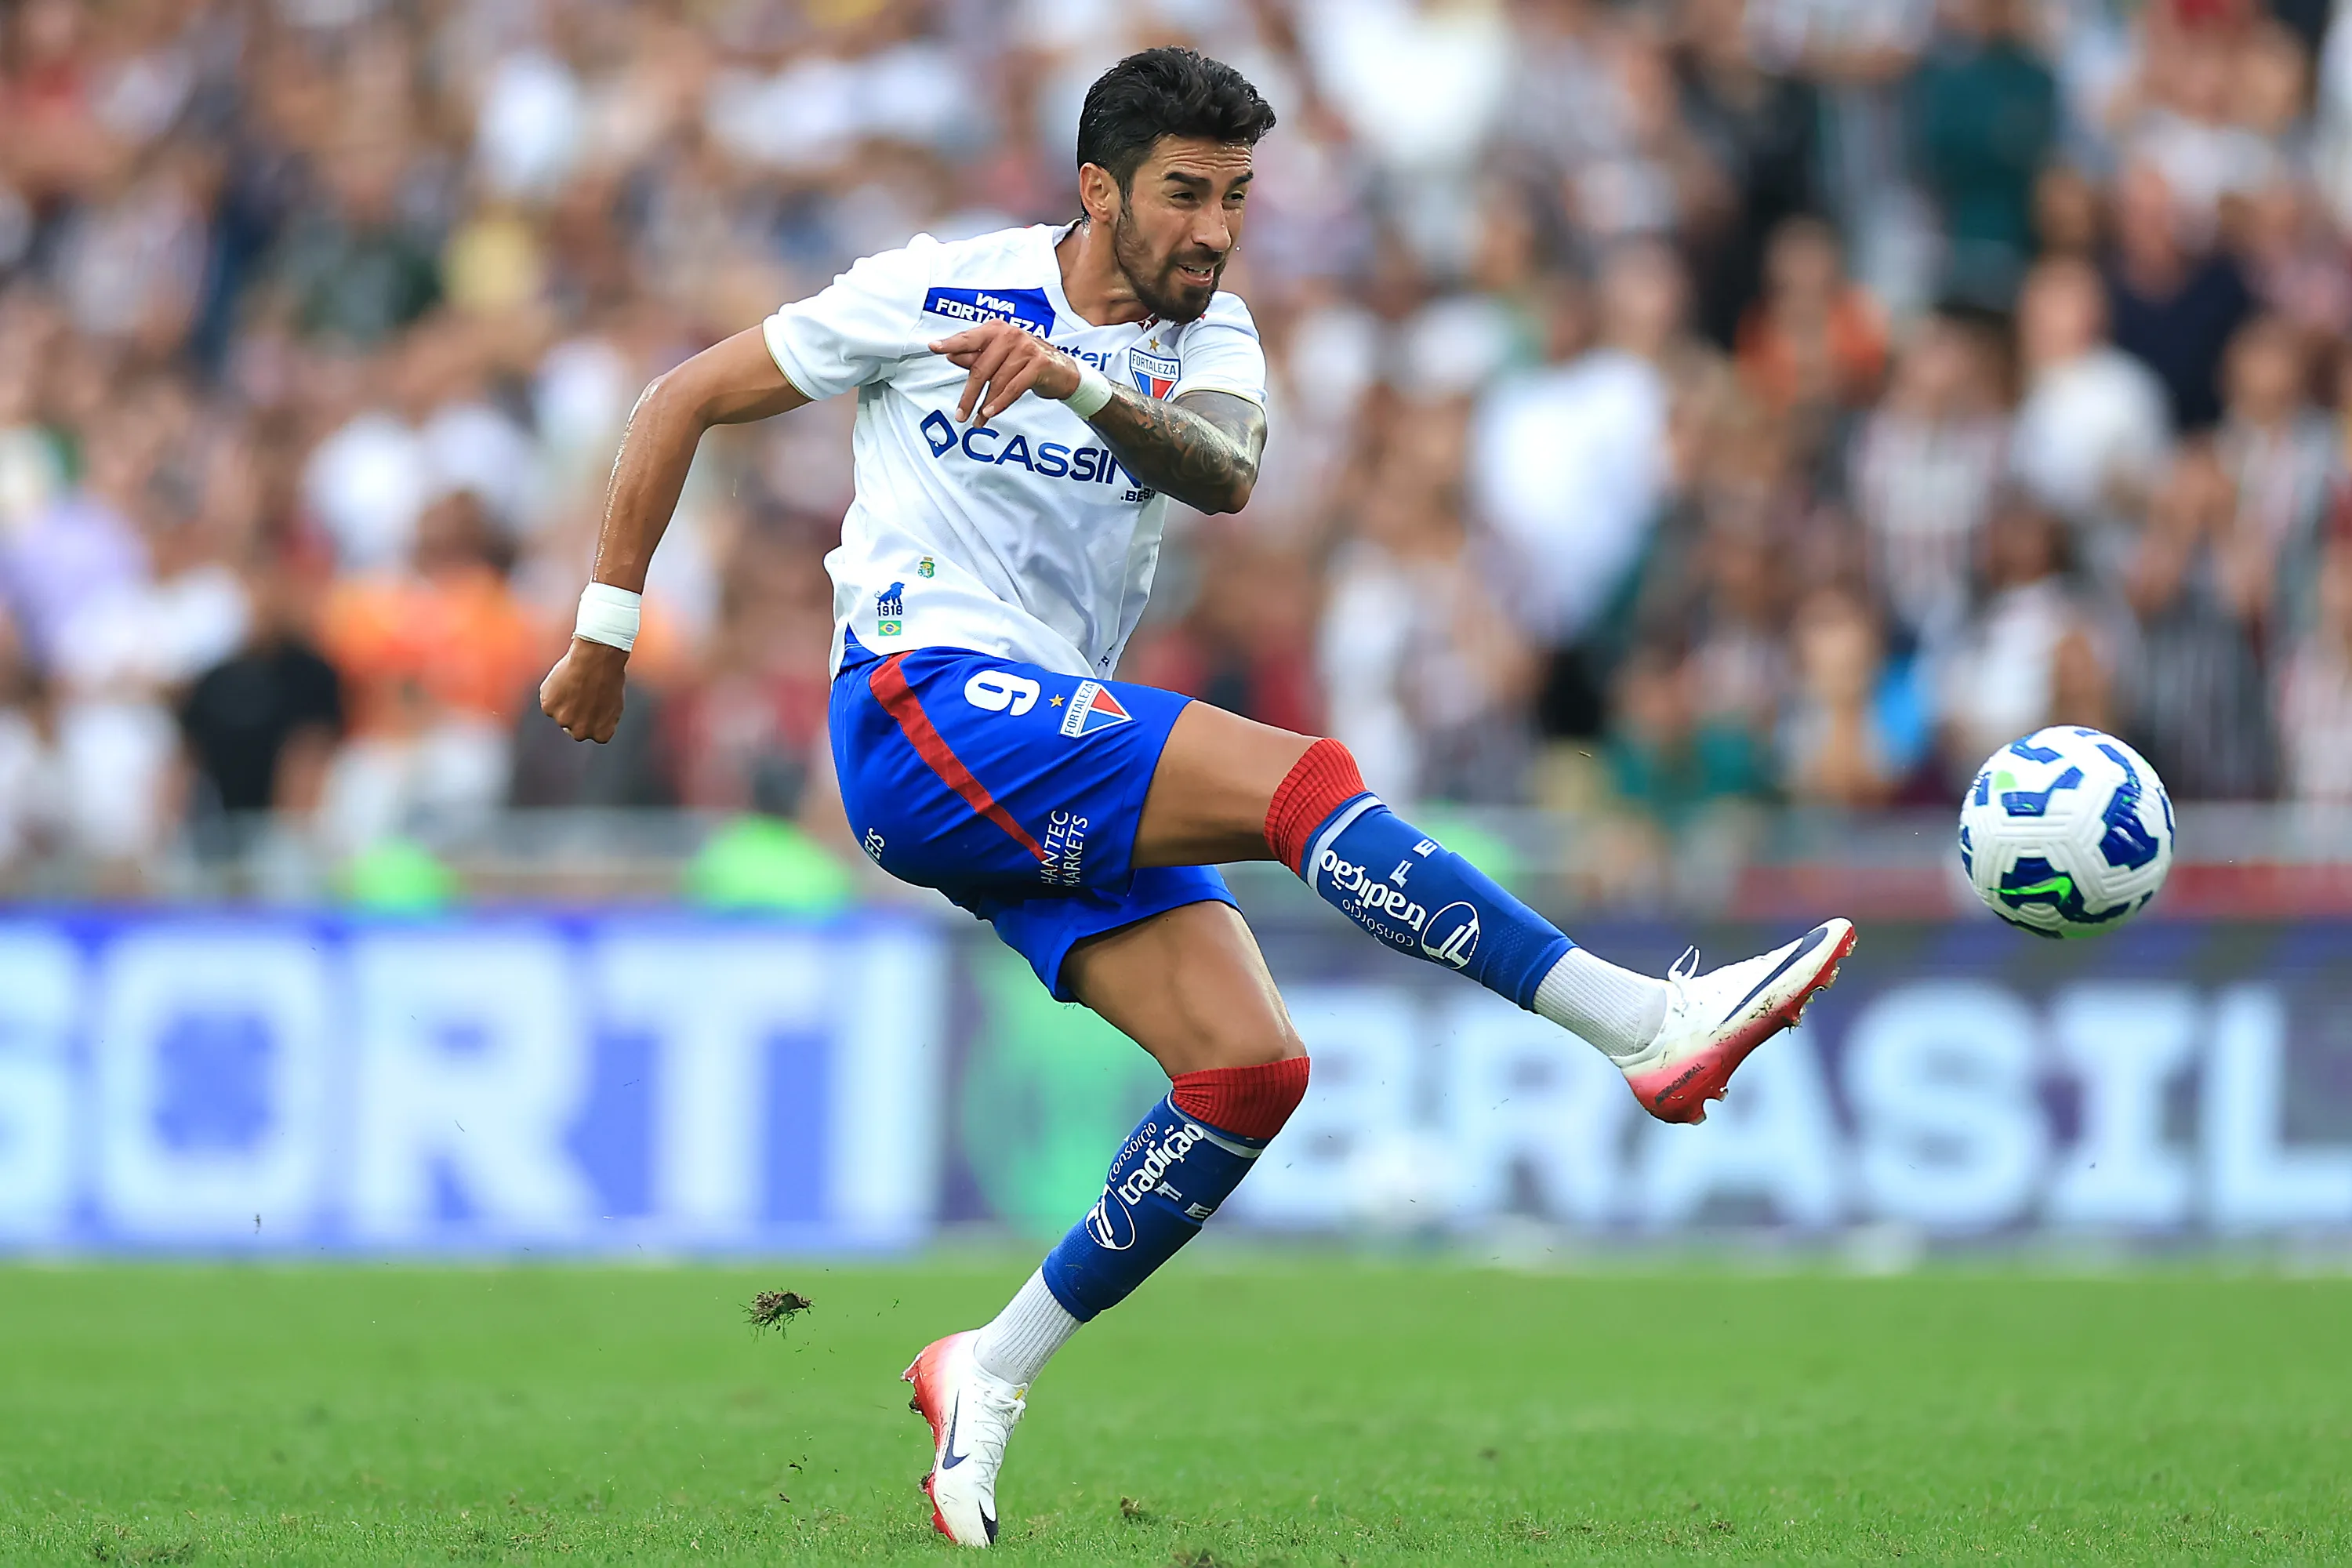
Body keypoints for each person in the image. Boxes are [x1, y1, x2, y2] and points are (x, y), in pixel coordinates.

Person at [538, 48, 1855, 1548]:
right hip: (920, 704)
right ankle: (1646, 1025)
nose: (1215, 229)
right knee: (1301, 783)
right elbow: (680, 396)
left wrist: (1086, 383)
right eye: (1184, 194)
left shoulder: (1213, 338)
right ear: (1097, 191)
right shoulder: (936, 288)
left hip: (1041, 743)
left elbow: (1225, 474)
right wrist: (606, 629)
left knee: (1249, 1072)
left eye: (1236, 195)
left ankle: (989, 1368)